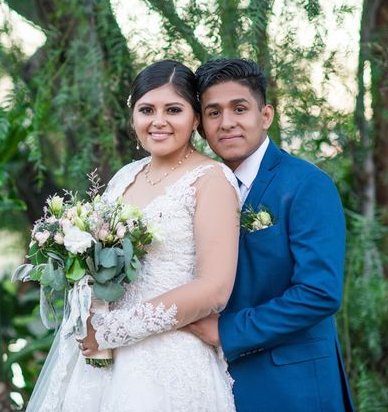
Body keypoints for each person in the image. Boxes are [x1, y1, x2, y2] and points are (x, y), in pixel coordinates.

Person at [26, 59, 240, 411]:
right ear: (133, 116)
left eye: (173, 109)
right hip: (99, 359)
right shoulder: (126, 176)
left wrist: (113, 330)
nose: (158, 121)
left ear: (196, 118)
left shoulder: (211, 180)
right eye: (146, 109)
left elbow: (214, 288)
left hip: (168, 360)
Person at [184, 58, 355, 411]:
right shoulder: (195, 190)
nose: (227, 122)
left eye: (239, 108)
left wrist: (228, 331)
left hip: (293, 387)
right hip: (214, 384)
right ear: (200, 127)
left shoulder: (307, 184)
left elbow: (319, 292)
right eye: (213, 113)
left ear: (265, 116)